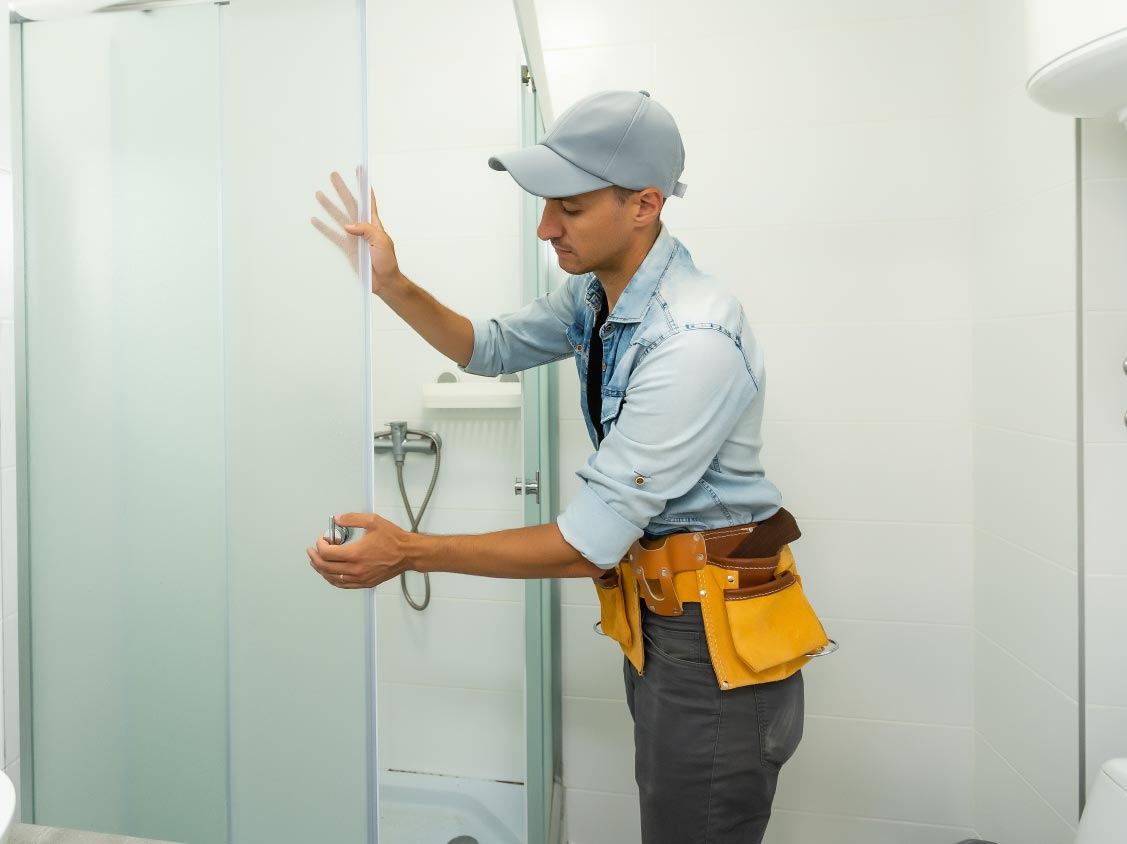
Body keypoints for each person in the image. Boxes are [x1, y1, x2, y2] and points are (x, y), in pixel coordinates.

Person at [309, 90, 805, 843]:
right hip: (668, 619)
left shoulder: (694, 338)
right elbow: (490, 346)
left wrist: (411, 551)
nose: (545, 228)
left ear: (643, 205)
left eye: (567, 208)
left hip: (716, 644)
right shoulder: (596, 295)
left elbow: (587, 543)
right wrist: (391, 283)